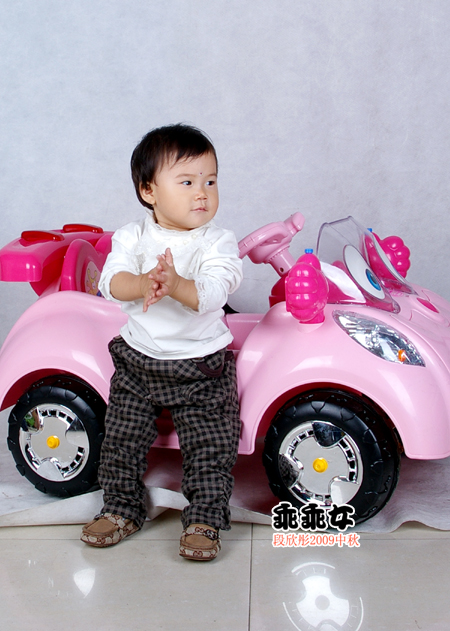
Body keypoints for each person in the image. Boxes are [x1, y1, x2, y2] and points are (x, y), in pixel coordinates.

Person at [80, 124, 243, 561]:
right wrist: (143, 283)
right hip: (138, 363)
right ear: (149, 190)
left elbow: (213, 293)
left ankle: (205, 518)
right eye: (187, 182)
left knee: (210, 446)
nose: (202, 193)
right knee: (121, 440)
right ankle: (121, 508)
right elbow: (111, 283)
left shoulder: (218, 241)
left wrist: (175, 284)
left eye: (211, 181)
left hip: (200, 368)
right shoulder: (132, 236)